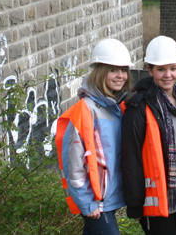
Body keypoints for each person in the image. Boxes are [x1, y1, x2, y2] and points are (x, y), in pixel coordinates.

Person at [122, 36, 176, 235]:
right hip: (155, 198)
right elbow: (131, 157)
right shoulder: (138, 105)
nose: (168, 75)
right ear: (149, 70)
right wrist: (135, 205)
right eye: (161, 69)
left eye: (173, 68)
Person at [55, 38, 132, 235]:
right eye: (113, 70)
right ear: (100, 71)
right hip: (95, 202)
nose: (120, 75)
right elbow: (75, 162)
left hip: (108, 200)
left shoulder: (117, 107)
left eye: (123, 70)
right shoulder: (86, 109)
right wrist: (87, 202)